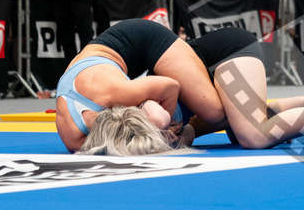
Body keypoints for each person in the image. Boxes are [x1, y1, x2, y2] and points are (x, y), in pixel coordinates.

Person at [55, 18, 226, 154]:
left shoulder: (118, 94)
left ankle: (220, 57)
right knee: (158, 120)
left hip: (142, 38)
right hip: (102, 67)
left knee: (213, 111)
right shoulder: (74, 138)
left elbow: (170, 86)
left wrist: (170, 127)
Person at [183, 27, 304, 150]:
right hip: (219, 55)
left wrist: (189, 131)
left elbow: (205, 111)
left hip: (228, 52)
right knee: (240, 128)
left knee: (254, 135)